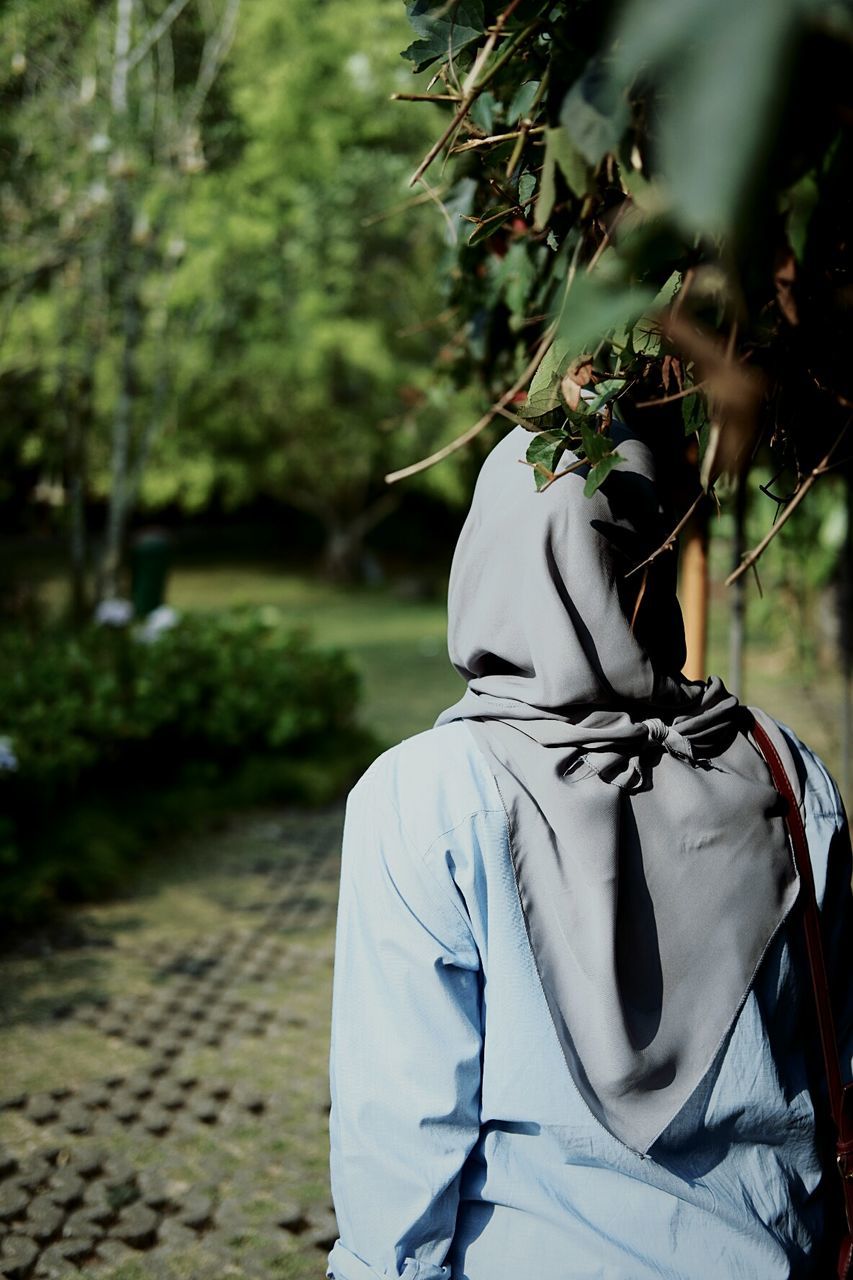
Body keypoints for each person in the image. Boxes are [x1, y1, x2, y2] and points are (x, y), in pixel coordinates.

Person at [326, 424, 853, 1280]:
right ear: (649, 562)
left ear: (494, 555)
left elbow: (402, 1126)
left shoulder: (426, 796)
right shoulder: (782, 770)